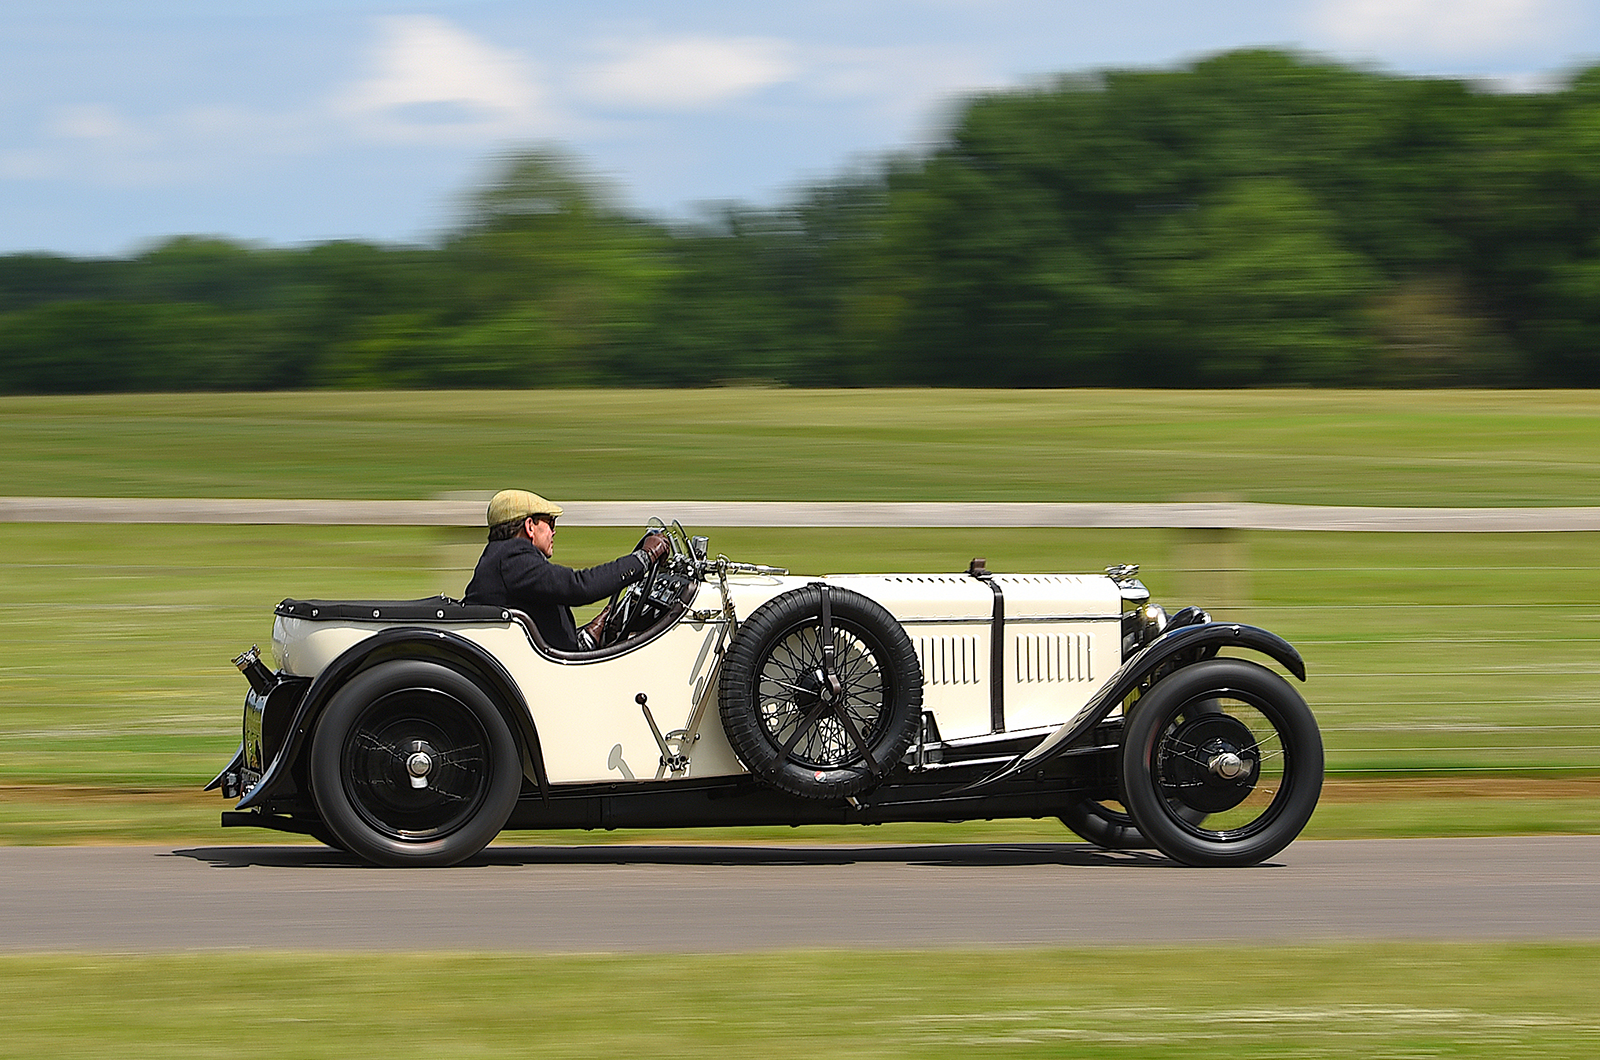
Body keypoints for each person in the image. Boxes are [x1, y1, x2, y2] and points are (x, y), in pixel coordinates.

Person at [463, 489, 670, 651]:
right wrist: (643, 558)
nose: (554, 531)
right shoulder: (512, 557)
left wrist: (587, 637)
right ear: (529, 526)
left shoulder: (500, 557)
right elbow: (579, 587)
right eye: (550, 523)